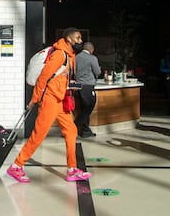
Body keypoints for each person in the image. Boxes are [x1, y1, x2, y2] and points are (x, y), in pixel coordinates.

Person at [7, 27, 92, 183]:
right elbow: (43, 78)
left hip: (60, 100)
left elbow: (58, 78)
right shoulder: (60, 54)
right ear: (69, 39)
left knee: (71, 130)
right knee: (38, 134)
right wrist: (34, 99)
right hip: (50, 100)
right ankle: (16, 166)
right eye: (78, 38)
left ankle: (72, 169)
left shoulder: (69, 55)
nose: (81, 41)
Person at [74, 41, 101, 138]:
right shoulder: (92, 58)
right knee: (89, 106)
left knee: (83, 108)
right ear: (91, 49)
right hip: (88, 86)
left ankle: (85, 131)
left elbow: (73, 71)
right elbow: (97, 72)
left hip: (78, 86)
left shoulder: (76, 57)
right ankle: (75, 124)